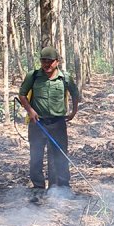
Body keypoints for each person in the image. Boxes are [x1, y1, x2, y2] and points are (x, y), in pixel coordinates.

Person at [18, 46, 80, 196]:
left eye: (50, 61)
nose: (46, 64)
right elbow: (22, 95)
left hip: (57, 123)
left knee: (59, 155)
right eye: (43, 61)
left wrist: (73, 112)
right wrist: (30, 111)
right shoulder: (33, 76)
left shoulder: (65, 78)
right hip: (37, 123)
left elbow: (75, 94)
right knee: (36, 156)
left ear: (57, 62)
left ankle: (59, 187)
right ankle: (38, 188)